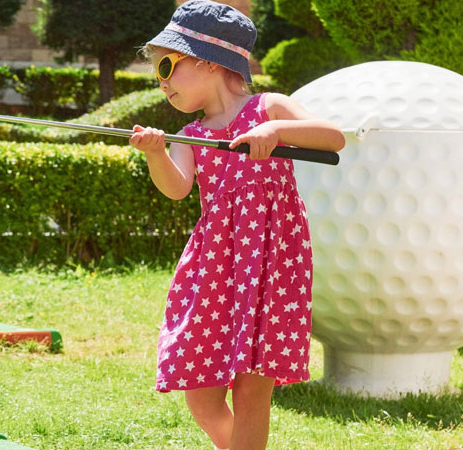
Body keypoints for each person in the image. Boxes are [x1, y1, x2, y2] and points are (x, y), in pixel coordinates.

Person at [128, 2, 345, 449]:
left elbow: (332, 135)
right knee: (202, 395)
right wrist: (155, 154)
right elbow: (177, 188)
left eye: (167, 65)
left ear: (208, 58)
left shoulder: (269, 107)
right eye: (158, 72)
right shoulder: (195, 134)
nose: (162, 80)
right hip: (214, 268)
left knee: (251, 388)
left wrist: (276, 132)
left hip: (268, 264)